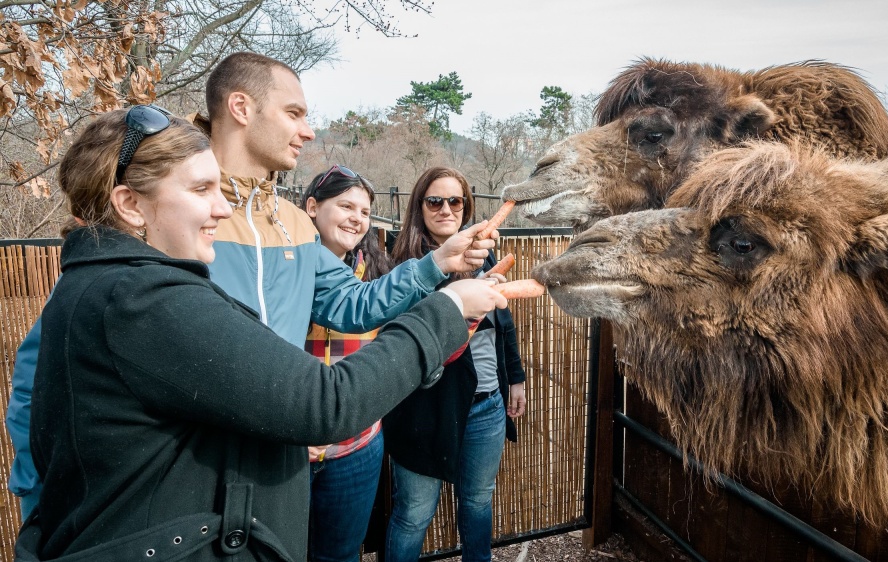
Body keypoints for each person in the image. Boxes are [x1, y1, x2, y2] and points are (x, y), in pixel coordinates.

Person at [5, 51, 496, 521]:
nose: (308, 130)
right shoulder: (172, 220)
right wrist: (43, 501)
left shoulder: (290, 222)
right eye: (294, 113)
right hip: (185, 478)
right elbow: (45, 368)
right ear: (241, 107)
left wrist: (435, 264)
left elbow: (351, 305)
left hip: (275, 464)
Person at [383, 167, 528, 562]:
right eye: (435, 201)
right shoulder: (404, 264)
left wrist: (514, 377)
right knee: (414, 514)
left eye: (455, 201)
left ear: (466, 206)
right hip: (426, 410)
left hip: (486, 404)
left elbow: (503, 320)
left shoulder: (484, 254)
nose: (446, 209)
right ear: (420, 206)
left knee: (478, 501)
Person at [299, 165, 394, 562]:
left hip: (357, 446)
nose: (357, 217)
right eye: (345, 205)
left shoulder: (375, 274)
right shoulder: (281, 269)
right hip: (289, 448)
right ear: (311, 207)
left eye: (364, 211)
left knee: (340, 554)